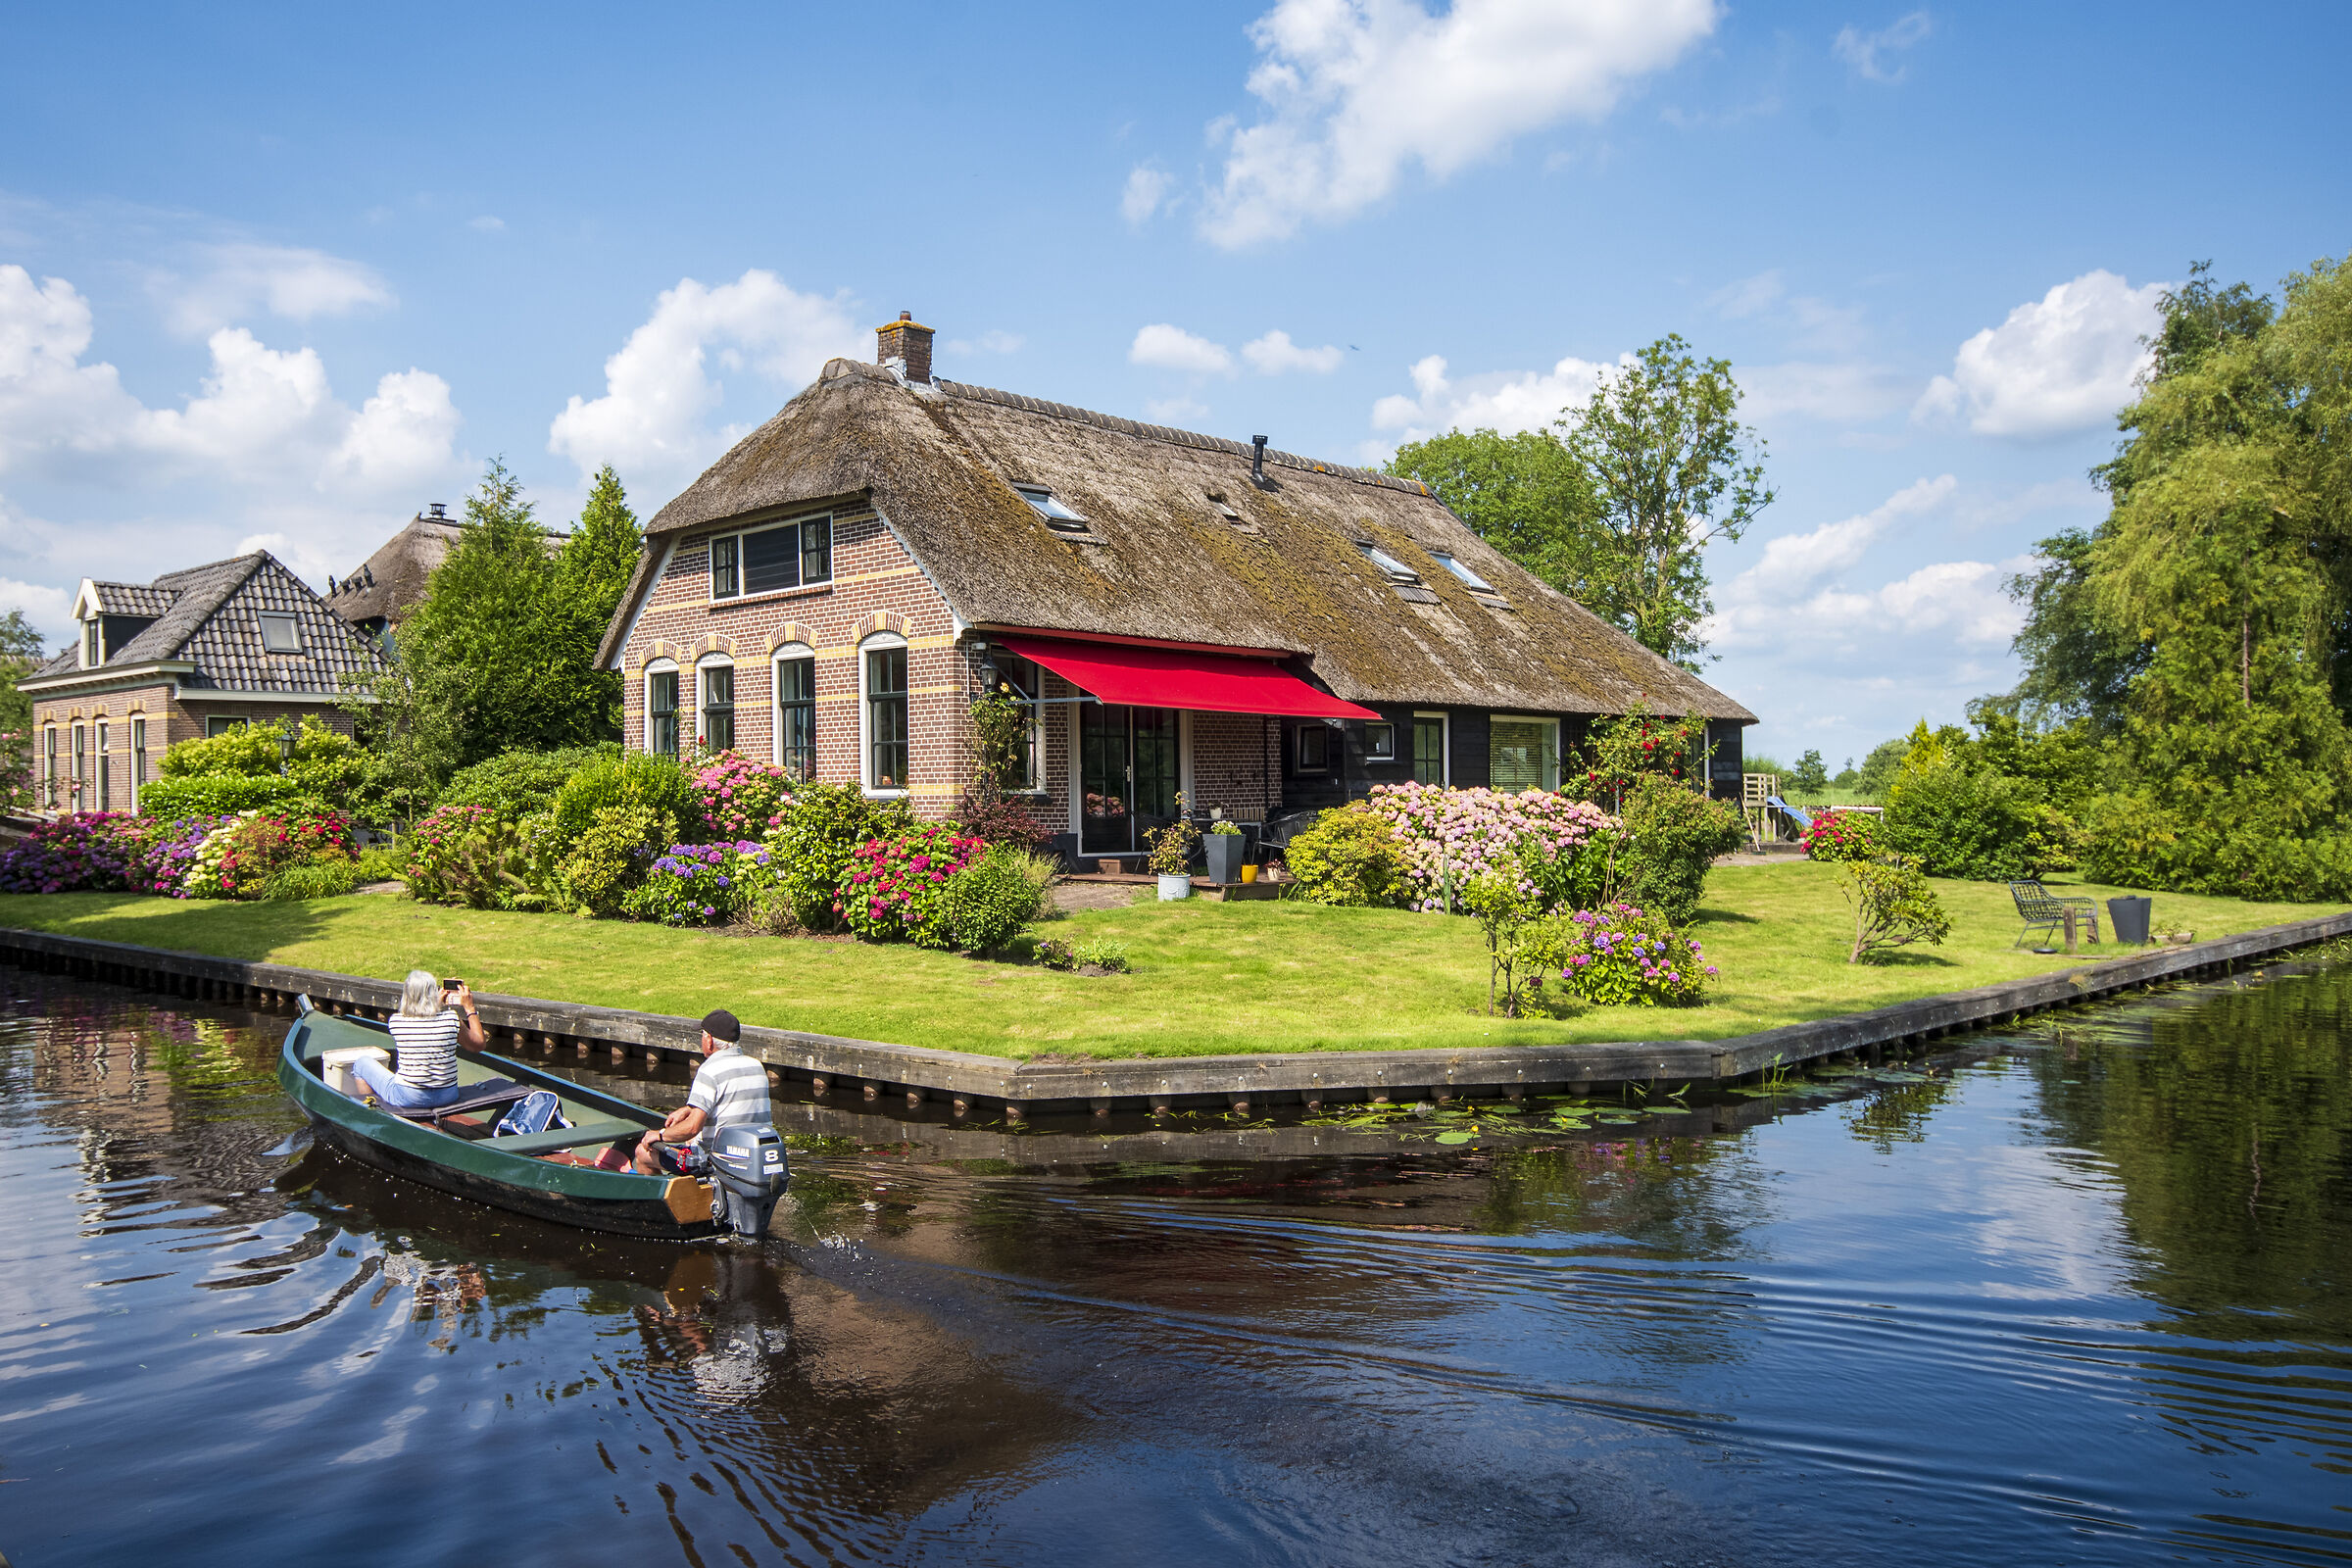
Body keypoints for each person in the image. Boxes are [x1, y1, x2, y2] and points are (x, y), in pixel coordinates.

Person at [635, 1008, 771, 1176]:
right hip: (751, 1157)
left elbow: (693, 1127)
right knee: (692, 1139)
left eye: (702, 1035)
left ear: (709, 1041)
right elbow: (729, 1102)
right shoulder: (756, 1066)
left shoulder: (710, 1070)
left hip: (716, 1161)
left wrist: (659, 1135)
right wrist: (689, 1109)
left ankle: (662, 1202)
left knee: (643, 1152)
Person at [349, 970, 485, 1111]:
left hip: (409, 1097)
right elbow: (478, 1044)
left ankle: (373, 1113)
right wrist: (470, 1008)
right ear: (433, 994)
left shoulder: (396, 1022)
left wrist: (435, 1005)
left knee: (361, 1064)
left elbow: (422, 1026)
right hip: (447, 1095)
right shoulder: (451, 1018)